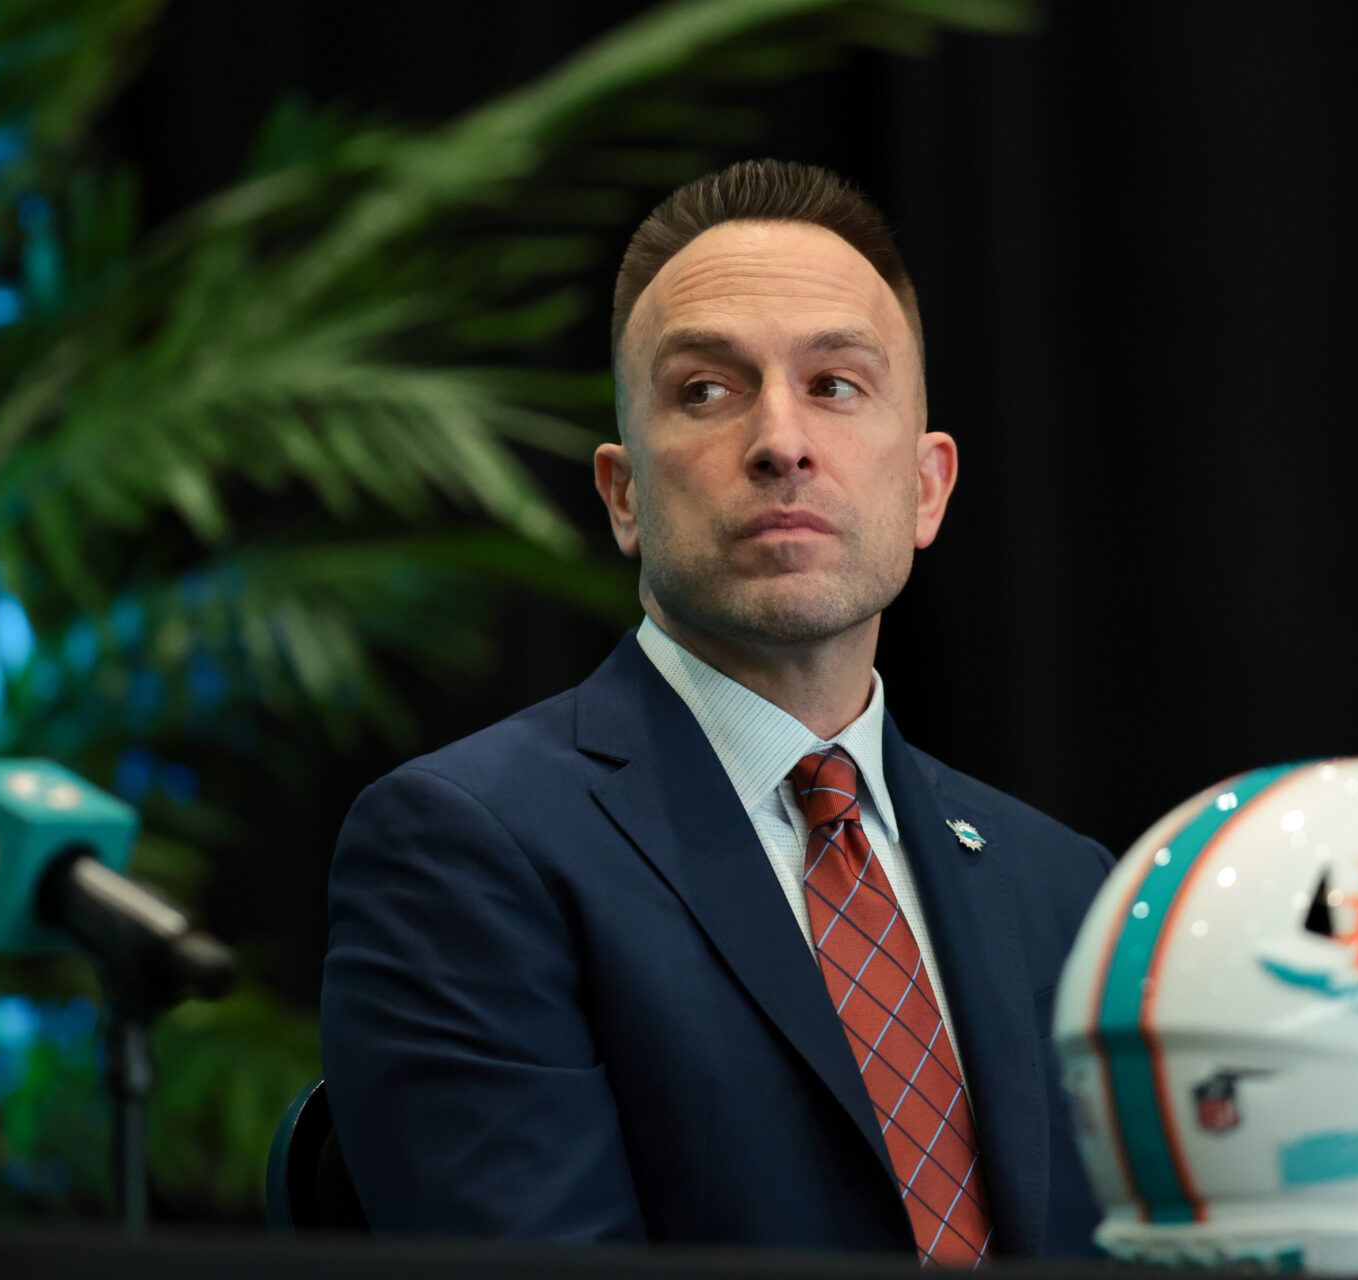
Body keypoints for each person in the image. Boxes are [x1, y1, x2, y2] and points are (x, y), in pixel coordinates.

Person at [321, 159, 1116, 1263]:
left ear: (927, 486)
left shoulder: (1069, 888)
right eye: (707, 389)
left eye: (836, 384)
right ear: (624, 494)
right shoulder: (466, 848)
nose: (781, 440)